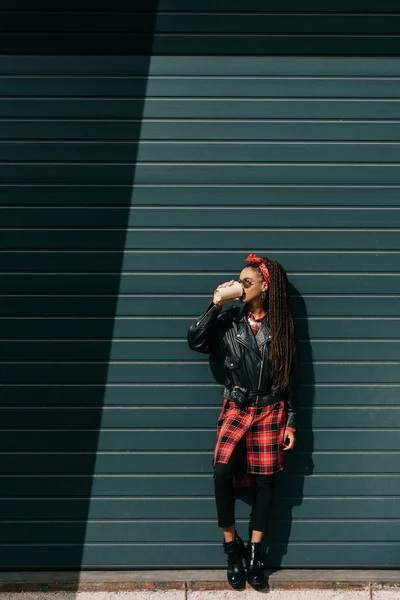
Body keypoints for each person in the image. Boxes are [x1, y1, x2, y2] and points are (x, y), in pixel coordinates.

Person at [187, 253, 297, 588]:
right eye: (239, 281)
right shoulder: (229, 321)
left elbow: (291, 375)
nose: (240, 286)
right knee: (222, 471)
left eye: (246, 282)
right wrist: (216, 303)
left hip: (270, 408)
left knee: (266, 482)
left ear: (265, 287)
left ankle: (255, 553)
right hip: (236, 406)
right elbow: (196, 341)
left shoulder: (280, 327)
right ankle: (231, 545)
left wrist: (291, 420)